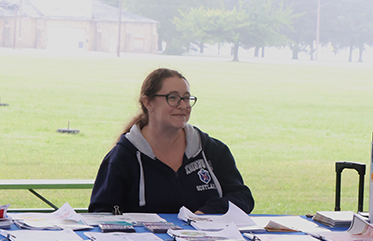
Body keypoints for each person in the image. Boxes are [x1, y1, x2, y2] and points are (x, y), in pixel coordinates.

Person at [89, 68, 255, 215]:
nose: (183, 105)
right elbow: (101, 213)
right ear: (148, 103)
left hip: (206, 240)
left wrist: (206, 212)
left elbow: (242, 197)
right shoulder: (123, 157)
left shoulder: (212, 150)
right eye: (173, 98)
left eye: (186, 98)